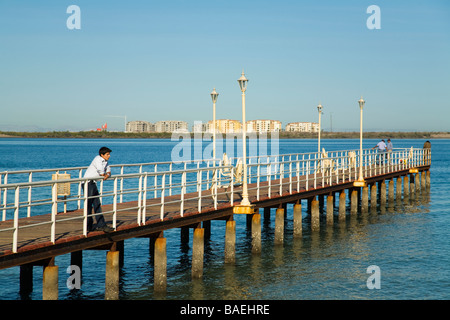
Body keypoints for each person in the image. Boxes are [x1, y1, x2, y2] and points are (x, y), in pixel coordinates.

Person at [83, 147, 114, 233]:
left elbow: (108, 170)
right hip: (87, 183)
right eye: (107, 154)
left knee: (97, 204)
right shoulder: (98, 159)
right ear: (102, 155)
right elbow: (101, 172)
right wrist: (105, 174)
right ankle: (88, 226)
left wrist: (107, 174)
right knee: (89, 205)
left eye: (109, 154)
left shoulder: (105, 161)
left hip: (93, 183)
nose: (109, 156)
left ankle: (101, 225)